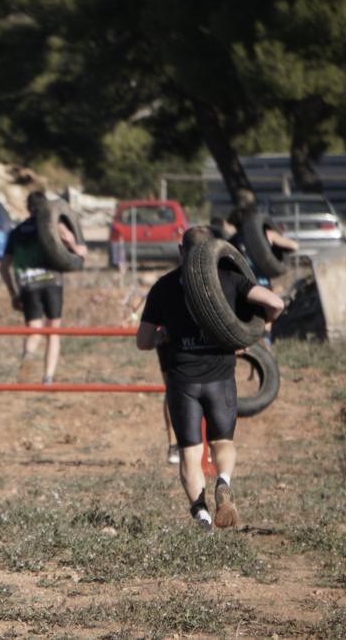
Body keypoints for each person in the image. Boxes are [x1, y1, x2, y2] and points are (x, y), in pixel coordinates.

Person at [135, 226, 284, 529]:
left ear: (181, 252)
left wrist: (163, 335)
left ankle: (201, 516)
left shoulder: (164, 286)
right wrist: (257, 328)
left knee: (191, 452)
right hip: (220, 378)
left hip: (182, 381)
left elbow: (143, 341)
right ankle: (224, 482)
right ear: (216, 248)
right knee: (222, 442)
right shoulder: (229, 278)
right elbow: (275, 303)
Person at [0, 191, 89, 384]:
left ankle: (27, 360)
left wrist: (13, 293)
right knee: (53, 332)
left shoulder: (17, 232)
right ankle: (48, 377)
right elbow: (71, 242)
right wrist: (76, 248)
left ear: (28, 208)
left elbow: (4, 266)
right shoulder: (53, 226)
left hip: (28, 284)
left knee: (33, 329)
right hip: (52, 282)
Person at [227, 208, 297, 345]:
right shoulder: (265, 234)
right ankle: (265, 347)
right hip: (262, 285)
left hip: (241, 287)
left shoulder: (232, 241)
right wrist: (277, 246)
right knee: (264, 319)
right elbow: (293, 246)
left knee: (246, 320)